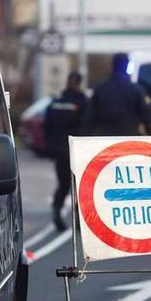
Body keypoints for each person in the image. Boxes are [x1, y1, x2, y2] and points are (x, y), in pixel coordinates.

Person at [44, 71, 87, 231]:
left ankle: (57, 213)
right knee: (80, 186)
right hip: (77, 150)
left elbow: (47, 127)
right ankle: (78, 220)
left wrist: (50, 148)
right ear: (79, 83)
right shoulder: (82, 103)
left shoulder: (55, 103)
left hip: (59, 151)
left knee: (63, 185)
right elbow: (86, 127)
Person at [88, 52, 151, 136]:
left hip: (106, 138)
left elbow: (90, 118)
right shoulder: (136, 90)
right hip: (129, 137)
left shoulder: (100, 89)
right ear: (127, 66)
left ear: (112, 66)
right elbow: (147, 116)